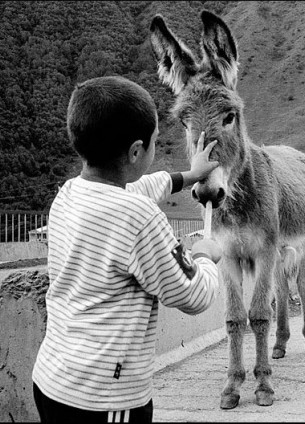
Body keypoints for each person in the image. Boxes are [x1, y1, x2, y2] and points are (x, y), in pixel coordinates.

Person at [32, 75, 222, 424]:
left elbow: (138, 189)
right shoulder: (139, 219)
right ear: (137, 151)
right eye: (153, 142)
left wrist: (189, 176)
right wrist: (205, 256)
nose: (154, 147)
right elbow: (193, 295)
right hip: (104, 400)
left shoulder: (68, 195)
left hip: (52, 382)